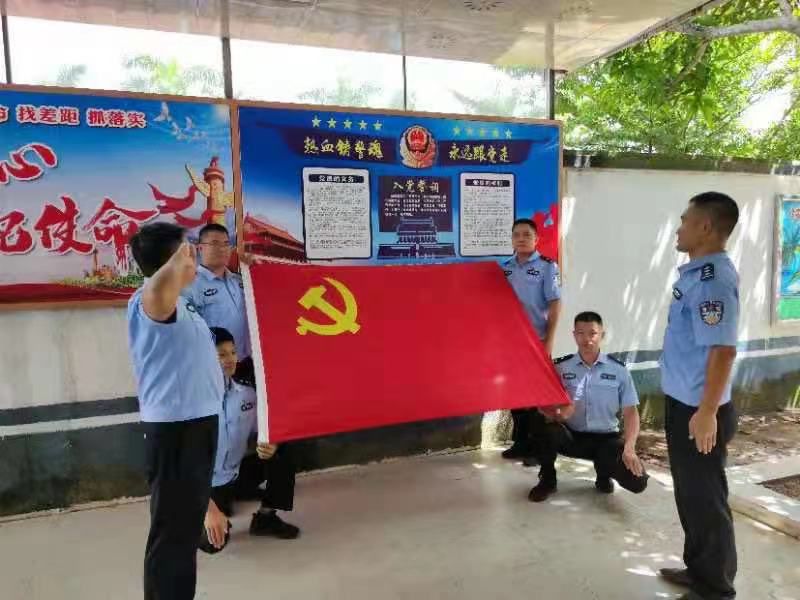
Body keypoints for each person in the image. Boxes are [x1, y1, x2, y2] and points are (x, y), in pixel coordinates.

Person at [127, 222, 224, 600]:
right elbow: (156, 287)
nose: (195, 258)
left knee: (182, 533)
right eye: (189, 251)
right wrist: (176, 257)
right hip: (177, 430)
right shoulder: (151, 301)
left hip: (194, 426)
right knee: (172, 536)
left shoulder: (181, 303)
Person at [657, 192, 740, 600]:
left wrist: (707, 412)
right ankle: (699, 569)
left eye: (685, 221)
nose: (679, 228)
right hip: (685, 403)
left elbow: (723, 350)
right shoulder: (695, 273)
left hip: (699, 410)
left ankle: (715, 589)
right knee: (690, 495)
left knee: (706, 500)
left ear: (705, 227)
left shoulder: (713, 280)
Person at [527, 311, 649, 502]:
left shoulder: (618, 370)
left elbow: (630, 412)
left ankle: (604, 473)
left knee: (638, 481)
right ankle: (547, 479)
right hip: (573, 437)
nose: (586, 339)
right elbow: (543, 404)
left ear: (602, 335)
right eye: (580, 333)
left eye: (592, 333)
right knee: (542, 426)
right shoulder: (561, 367)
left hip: (607, 440)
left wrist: (630, 448)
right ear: (574, 335)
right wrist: (557, 413)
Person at [200, 327, 300, 554]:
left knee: (283, 448)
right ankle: (211, 510)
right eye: (221, 354)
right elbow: (180, 463)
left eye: (233, 352)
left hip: (235, 475)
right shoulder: (192, 404)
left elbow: (263, 431)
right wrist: (207, 509)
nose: (230, 359)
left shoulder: (247, 395)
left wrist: (270, 443)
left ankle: (266, 517)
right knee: (213, 543)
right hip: (204, 486)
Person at [502, 218, 562, 460]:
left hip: (537, 340)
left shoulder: (548, 267)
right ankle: (520, 443)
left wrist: (549, 341)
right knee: (515, 393)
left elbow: (555, 304)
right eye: (516, 235)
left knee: (536, 394)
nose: (521, 238)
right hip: (510, 342)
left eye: (527, 234)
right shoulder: (505, 268)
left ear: (536, 239)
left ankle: (538, 447)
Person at [183, 223, 254, 385]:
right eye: (214, 243)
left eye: (226, 244)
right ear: (200, 248)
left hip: (246, 363)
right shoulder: (191, 285)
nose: (222, 249)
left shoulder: (239, 281)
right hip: (213, 367)